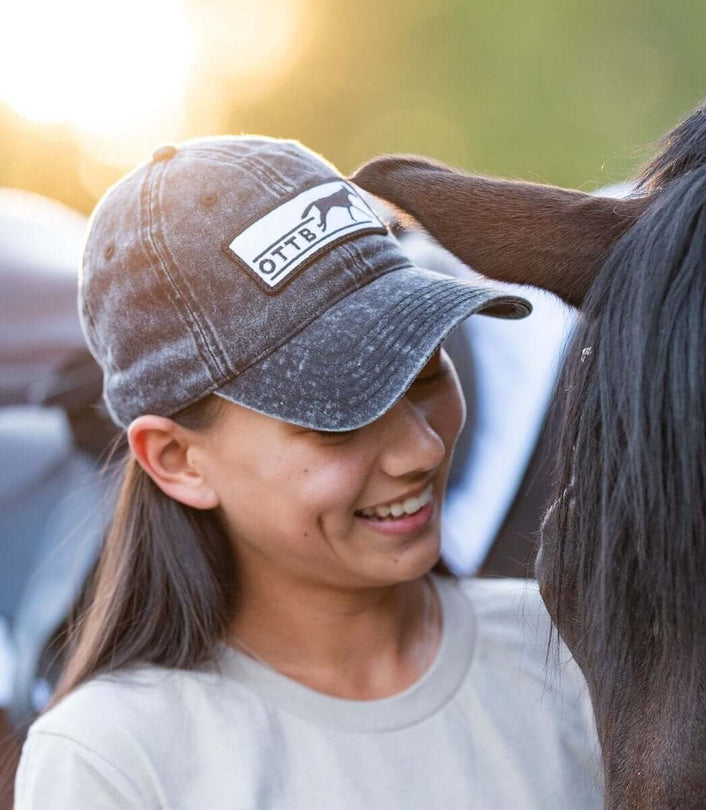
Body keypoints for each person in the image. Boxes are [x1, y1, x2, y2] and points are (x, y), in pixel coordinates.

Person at [14, 136, 602, 809]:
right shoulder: (112, 761)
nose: (422, 450)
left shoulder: (574, 650)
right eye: (340, 417)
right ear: (176, 461)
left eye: (431, 372)